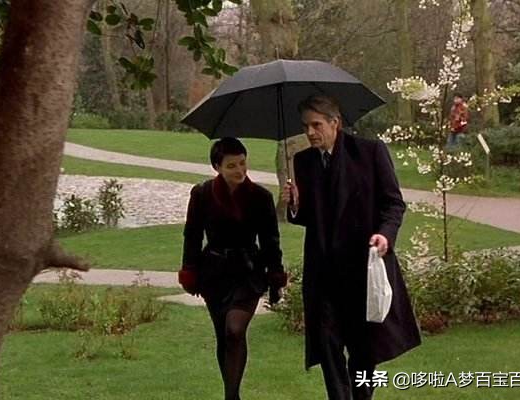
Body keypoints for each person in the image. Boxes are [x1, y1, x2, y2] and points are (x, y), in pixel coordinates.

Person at [281, 95, 421, 400]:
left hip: (362, 269)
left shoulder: (370, 152)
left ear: (335, 123)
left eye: (316, 125)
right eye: (305, 126)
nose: (310, 132)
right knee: (327, 344)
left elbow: (393, 204)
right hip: (323, 274)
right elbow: (310, 217)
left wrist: (385, 235)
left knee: (362, 349)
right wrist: (294, 205)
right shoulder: (303, 162)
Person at [178, 137, 288, 400]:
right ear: (217, 167)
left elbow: (271, 241)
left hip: (248, 273)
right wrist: (189, 271)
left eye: (242, 163)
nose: (240, 170)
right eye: (231, 166)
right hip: (214, 273)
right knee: (223, 335)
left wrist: (275, 277)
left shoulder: (261, 197)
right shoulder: (202, 194)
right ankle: (233, 394)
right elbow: (192, 235)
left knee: (235, 330)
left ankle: (231, 397)